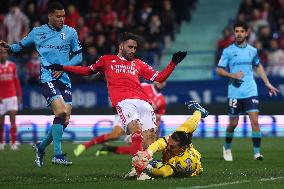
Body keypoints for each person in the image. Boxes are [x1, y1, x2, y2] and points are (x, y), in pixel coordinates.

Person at [47, 32, 187, 180]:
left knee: (149, 141)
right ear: (121, 46)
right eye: (130, 47)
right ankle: (140, 173)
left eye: (135, 48)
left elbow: (160, 77)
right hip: (124, 101)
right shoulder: (107, 60)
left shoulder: (138, 63)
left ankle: (136, 168)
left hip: (144, 102)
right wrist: (63, 67)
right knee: (136, 131)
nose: (133, 50)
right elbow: (87, 70)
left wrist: (173, 63)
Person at [0, 2, 83, 166]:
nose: (62, 19)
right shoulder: (37, 32)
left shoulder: (71, 32)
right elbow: (19, 47)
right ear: (50, 16)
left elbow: (79, 56)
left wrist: (64, 68)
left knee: (64, 120)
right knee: (61, 113)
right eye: (58, 16)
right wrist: (9, 47)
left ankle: (41, 147)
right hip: (48, 77)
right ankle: (58, 154)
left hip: (64, 79)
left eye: (63, 16)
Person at [216, 22, 279, 161]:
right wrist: (232, 75)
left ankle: (257, 153)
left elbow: (258, 66)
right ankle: (226, 147)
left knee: (255, 121)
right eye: (236, 31)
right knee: (233, 124)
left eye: (241, 31)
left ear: (246, 33)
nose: (238, 34)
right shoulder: (228, 51)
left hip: (251, 90)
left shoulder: (253, 50)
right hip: (234, 92)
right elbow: (219, 69)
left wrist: (267, 83)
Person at [73, 81, 166, 157]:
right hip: (127, 112)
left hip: (141, 121)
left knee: (141, 149)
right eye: (160, 80)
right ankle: (84, 145)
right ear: (154, 80)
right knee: (115, 135)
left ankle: (109, 149)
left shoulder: (161, 100)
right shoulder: (144, 86)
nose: (161, 82)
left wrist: (154, 134)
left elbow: (157, 119)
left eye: (164, 81)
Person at [130, 101, 208, 179]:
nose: (168, 147)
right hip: (178, 150)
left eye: (172, 147)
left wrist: (146, 168)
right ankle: (199, 112)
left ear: (182, 149)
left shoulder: (182, 162)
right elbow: (158, 144)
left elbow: (164, 172)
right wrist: (148, 153)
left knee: (157, 165)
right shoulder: (173, 141)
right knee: (188, 125)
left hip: (184, 165)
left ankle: (149, 166)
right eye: (168, 144)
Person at [0, 49, 22, 150]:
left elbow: (16, 81)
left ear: (7, 55)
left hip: (12, 95)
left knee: (13, 119)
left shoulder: (12, 65)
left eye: (4, 53)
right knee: (1, 122)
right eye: (0, 53)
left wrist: (19, 95)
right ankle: (1, 142)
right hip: (1, 97)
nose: (2, 55)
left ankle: (13, 143)